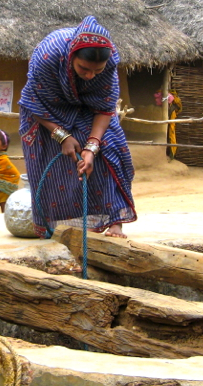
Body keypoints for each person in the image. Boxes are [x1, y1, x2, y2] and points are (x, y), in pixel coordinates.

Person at [18, 15, 136, 238]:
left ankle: (114, 223)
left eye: (97, 72)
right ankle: (59, 228)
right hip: (46, 111)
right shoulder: (49, 55)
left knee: (110, 149)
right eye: (84, 69)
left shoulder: (110, 62)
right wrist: (61, 135)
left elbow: (105, 107)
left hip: (88, 108)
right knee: (57, 165)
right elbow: (32, 100)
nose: (91, 76)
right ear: (71, 56)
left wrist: (91, 148)